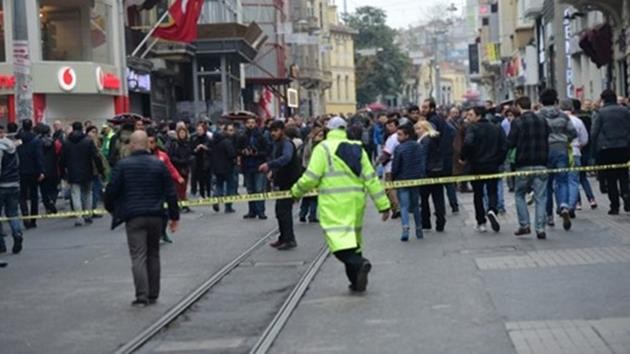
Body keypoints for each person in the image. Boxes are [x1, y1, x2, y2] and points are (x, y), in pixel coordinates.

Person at [290, 117, 390, 292]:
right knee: (353, 242)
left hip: (333, 203)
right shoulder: (358, 148)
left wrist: (296, 191)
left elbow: (311, 177)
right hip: (356, 202)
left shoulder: (323, 148)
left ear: (329, 130)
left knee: (337, 244)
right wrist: (384, 205)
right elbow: (371, 178)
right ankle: (356, 282)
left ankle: (360, 264)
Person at [105, 130, 179, 308]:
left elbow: (111, 190)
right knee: (154, 253)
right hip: (155, 216)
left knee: (138, 255)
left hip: (134, 216)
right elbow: (171, 192)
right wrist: (174, 216)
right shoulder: (158, 164)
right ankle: (154, 292)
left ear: (131, 144)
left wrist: (112, 209)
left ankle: (141, 296)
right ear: (148, 144)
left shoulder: (123, 165)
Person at [508, 96, 551, 239]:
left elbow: (510, 143)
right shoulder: (542, 120)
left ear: (519, 106)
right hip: (541, 163)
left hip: (523, 164)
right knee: (541, 197)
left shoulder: (517, 122)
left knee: (519, 194)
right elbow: (547, 136)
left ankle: (524, 225)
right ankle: (540, 228)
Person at [461, 106, 507, 233]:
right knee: (492, 190)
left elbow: (468, 143)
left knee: (478, 194)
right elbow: (504, 146)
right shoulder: (497, 128)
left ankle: (481, 221)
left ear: (478, 116)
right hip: (492, 164)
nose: (468, 117)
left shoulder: (472, 128)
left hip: (476, 165)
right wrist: (499, 160)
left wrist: (464, 157)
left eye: (470, 115)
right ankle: (492, 209)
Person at [538, 89, 577, 230]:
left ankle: (549, 216)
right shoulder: (563, 116)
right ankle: (564, 205)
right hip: (561, 149)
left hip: (544, 150)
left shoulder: (538, 116)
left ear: (541, 102)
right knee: (563, 180)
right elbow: (573, 132)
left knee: (546, 185)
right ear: (556, 102)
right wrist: (565, 139)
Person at [259, 120, 301, 250]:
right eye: (271, 131)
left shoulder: (286, 143)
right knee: (280, 211)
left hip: (289, 182)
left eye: (275, 130)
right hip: (283, 181)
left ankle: (289, 239)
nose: (273, 133)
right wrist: (273, 172)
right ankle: (283, 237)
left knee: (284, 212)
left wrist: (269, 165)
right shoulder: (277, 143)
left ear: (282, 130)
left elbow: (286, 158)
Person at [591, 89, 630, 214]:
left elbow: (594, 132)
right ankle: (626, 195)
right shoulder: (625, 111)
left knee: (611, 178)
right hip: (624, 147)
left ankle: (614, 206)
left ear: (604, 100)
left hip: (606, 149)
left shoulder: (600, 113)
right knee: (624, 174)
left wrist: (594, 149)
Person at [60, 122, 105, 227]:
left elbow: (62, 159)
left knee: (75, 194)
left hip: (72, 171)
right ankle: (88, 215)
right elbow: (96, 157)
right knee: (88, 192)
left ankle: (79, 217)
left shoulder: (66, 142)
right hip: (87, 170)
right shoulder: (88, 141)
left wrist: (62, 172)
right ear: (82, 129)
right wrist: (100, 170)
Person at [147, 128, 184, 244]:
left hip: (160, 187)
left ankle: (162, 232)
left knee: (163, 212)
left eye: (152, 142)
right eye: (148, 142)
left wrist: (178, 177)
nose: (150, 145)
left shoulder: (162, 156)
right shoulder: (142, 157)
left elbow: (170, 168)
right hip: (147, 189)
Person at [392, 123, 426, 241]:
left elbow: (395, 166)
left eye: (400, 135)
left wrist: (393, 178)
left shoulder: (399, 148)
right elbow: (422, 163)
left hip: (402, 180)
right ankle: (419, 229)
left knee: (404, 206)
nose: (397, 137)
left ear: (407, 135)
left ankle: (405, 229)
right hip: (415, 179)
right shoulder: (418, 146)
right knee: (416, 205)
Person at [420, 98, 448, 232]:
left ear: (432, 108)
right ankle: (440, 222)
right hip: (439, 166)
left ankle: (426, 223)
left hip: (428, 169)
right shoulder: (441, 121)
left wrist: (422, 170)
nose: (422, 109)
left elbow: (425, 154)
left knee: (424, 197)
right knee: (438, 195)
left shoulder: (430, 128)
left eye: (425, 107)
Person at [560, 99, 589, 217]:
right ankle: (572, 205)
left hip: (561, 152)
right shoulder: (578, 121)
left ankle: (563, 204)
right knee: (573, 181)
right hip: (576, 152)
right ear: (572, 109)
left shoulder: (559, 121)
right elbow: (584, 139)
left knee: (561, 181)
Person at [238, 117, 269, 219]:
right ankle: (252, 211)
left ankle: (261, 211)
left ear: (256, 124)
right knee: (250, 190)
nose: (251, 125)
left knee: (259, 189)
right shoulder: (242, 136)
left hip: (258, 166)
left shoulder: (261, 136)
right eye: (249, 123)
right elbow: (237, 149)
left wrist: (257, 153)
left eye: (252, 123)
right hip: (247, 166)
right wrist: (243, 152)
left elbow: (267, 150)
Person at [0, 125, 23, 255]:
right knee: (13, 213)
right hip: (14, 183)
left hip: (2, 184)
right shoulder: (12, 146)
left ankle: (1, 244)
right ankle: (17, 233)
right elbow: (17, 164)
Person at [299, 126, 325, 223]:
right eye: (320, 135)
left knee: (307, 195)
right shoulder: (314, 145)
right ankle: (311, 215)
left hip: (306, 169)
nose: (321, 138)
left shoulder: (308, 142)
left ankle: (303, 214)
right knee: (314, 196)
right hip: (312, 170)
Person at [211, 123, 238, 214]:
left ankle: (216, 198)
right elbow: (232, 154)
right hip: (228, 167)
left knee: (219, 185)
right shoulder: (227, 142)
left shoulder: (214, 141)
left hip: (217, 168)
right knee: (230, 186)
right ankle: (228, 206)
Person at [377, 118, 401, 218]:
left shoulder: (393, 138)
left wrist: (378, 162)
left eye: (391, 125)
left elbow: (387, 153)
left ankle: (396, 208)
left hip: (390, 166)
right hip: (396, 165)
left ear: (396, 126)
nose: (388, 128)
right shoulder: (398, 137)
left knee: (390, 188)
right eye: (388, 126)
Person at [168, 124, 193, 213]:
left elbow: (191, 154)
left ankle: (184, 204)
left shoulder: (188, 143)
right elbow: (171, 156)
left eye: (184, 133)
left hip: (185, 168)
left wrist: (189, 160)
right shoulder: (174, 144)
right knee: (177, 188)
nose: (182, 135)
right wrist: (181, 161)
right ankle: (178, 205)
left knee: (184, 187)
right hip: (177, 168)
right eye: (181, 133)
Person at [38, 124, 62, 214]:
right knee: (54, 187)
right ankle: (53, 200)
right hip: (54, 168)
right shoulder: (55, 142)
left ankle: (47, 205)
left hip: (42, 169)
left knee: (44, 189)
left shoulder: (37, 142)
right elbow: (60, 153)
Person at [190, 123, 212, 199]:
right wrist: (196, 149)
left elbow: (212, 150)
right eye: (198, 130)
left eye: (200, 130)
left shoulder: (208, 139)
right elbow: (191, 150)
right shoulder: (194, 139)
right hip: (198, 161)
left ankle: (208, 193)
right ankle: (202, 194)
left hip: (207, 161)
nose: (199, 131)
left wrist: (205, 147)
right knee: (200, 179)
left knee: (208, 179)